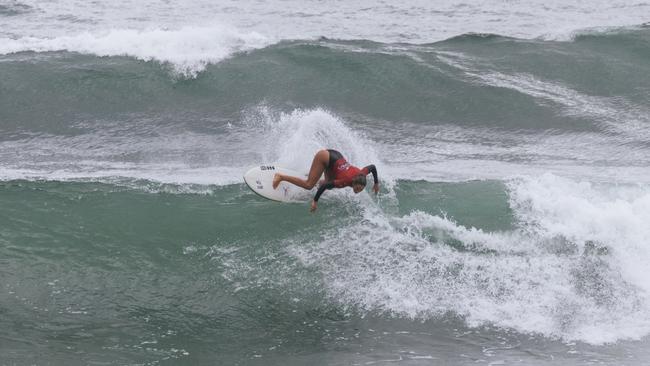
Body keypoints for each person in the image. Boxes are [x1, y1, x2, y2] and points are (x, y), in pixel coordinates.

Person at [272, 149, 379, 212]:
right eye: (356, 188)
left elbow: (373, 167)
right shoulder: (344, 181)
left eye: (360, 189)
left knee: (324, 182)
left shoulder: (362, 174)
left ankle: (311, 176)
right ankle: (281, 177)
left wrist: (376, 183)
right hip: (325, 157)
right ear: (354, 182)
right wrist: (315, 201)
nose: (357, 190)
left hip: (335, 158)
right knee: (309, 185)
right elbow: (325, 186)